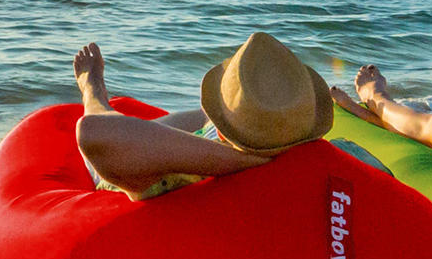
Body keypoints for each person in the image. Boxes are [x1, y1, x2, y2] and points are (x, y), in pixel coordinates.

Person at [74, 31, 334, 200]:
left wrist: (245, 160)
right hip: (237, 140)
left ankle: (94, 92)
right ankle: (238, 121)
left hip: (133, 169)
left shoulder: (183, 176)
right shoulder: (297, 130)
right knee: (213, 116)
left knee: (99, 114)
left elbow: (93, 132)